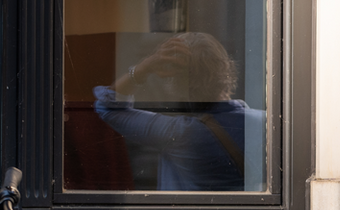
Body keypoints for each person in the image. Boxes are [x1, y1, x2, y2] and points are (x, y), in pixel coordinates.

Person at [93, 32, 261, 191]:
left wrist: (143, 68)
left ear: (175, 81)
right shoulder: (266, 123)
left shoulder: (179, 133)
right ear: (227, 69)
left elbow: (107, 108)